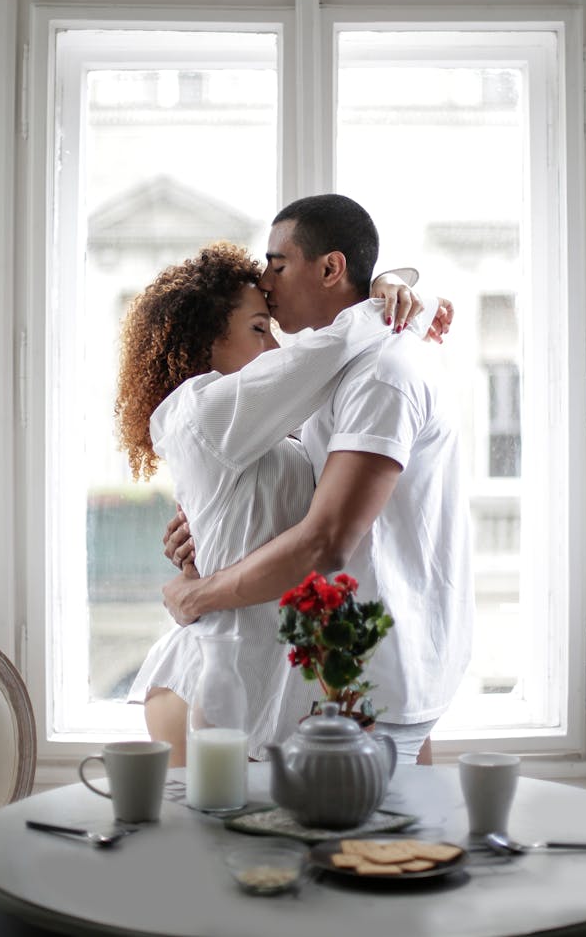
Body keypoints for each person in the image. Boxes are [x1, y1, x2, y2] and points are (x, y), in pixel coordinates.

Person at [161, 195, 473, 765]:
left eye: (277, 263)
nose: (265, 278)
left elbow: (326, 541)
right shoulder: (339, 372)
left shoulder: (383, 375)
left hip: (373, 682)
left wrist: (197, 594)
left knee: (371, 853)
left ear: (329, 268)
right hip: (347, 674)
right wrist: (208, 525)